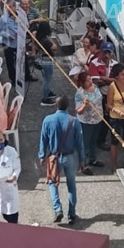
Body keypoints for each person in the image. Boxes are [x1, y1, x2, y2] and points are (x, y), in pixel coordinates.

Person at [37, 96, 86, 225]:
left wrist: (42, 155)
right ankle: (72, 214)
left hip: (54, 157)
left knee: (52, 182)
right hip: (69, 157)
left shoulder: (48, 120)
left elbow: (43, 139)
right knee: (71, 186)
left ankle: (58, 209)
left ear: (55, 105)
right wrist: (82, 160)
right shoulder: (74, 121)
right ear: (68, 106)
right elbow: (80, 143)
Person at [74, 69, 105, 170]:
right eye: (87, 80)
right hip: (86, 122)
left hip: (98, 119)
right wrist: (84, 104)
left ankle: (92, 159)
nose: (90, 81)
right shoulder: (80, 94)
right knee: (85, 143)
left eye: (90, 79)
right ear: (82, 83)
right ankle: (83, 164)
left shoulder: (95, 87)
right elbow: (79, 111)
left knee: (93, 141)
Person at [0, 0, 21, 84]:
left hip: (19, 43)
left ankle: (24, 76)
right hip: (8, 43)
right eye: (7, 7)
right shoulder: (3, 18)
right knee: (10, 62)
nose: (9, 9)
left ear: (15, 7)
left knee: (21, 60)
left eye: (11, 7)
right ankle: (13, 79)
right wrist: (8, 35)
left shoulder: (20, 17)